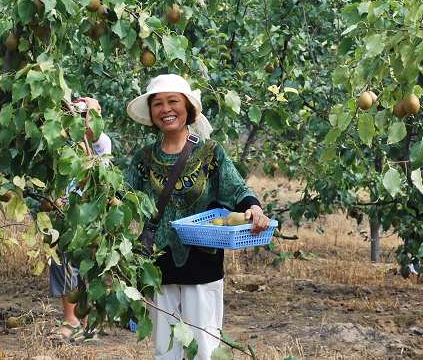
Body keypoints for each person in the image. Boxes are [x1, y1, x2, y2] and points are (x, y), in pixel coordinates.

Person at [125, 74, 271, 360]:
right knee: (165, 349)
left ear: (188, 108)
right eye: (158, 104)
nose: (165, 109)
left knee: (205, 347)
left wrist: (253, 207)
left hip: (202, 263)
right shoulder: (143, 159)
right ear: (151, 113)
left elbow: (236, 187)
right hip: (158, 265)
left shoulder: (209, 152)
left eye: (172, 102)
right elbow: (122, 197)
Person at [48, 96, 111, 340]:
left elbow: (92, 150)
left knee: (87, 268)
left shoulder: (100, 141)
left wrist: (89, 115)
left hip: (89, 215)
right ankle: (70, 318)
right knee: (64, 266)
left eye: (90, 114)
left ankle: (83, 318)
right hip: (64, 215)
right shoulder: (64, 141)